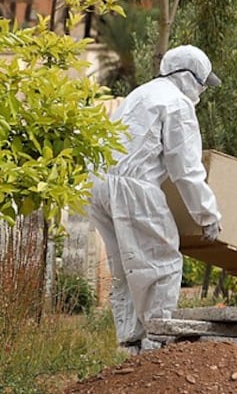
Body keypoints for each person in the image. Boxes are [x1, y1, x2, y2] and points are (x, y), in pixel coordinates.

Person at [88, 45, 223, 355]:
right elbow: (186, 169)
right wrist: (208, 214)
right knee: (161, 262)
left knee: (126, 267)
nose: (202, 90)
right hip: (134, 189)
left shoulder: (142, 93)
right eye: (202, 82)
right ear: (190, 78)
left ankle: (130, 344)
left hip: (98, 186)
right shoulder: (177, 104)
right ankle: (157, 345)